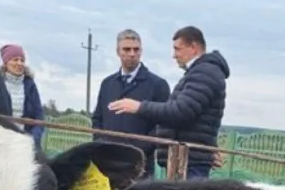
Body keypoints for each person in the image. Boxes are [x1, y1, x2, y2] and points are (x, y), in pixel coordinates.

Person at [108, 25, 229, 180]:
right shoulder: (199, 72)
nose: (174, 55)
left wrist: (139, 107)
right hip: (185, 159)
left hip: (190, 161)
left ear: (193, 47)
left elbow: (181, 111)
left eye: (177, 49)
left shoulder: (204, 73)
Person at [90, 29, 170, 179]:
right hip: (108, 163)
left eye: (136, 49)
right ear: (118, 51)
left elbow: (161, 126)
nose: (132, 54)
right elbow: (97, 119)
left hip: (139, 166)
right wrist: (101, 144)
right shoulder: (108, 84)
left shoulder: (157, 85)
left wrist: (137, 150)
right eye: (127, 49)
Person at [0, 43, 45, 145]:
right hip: (2, 140)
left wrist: (32, 138)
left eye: (22, 60)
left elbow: (39, 117)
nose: (19, 63)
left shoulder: (30, 85)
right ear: (6, 63)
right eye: (15, 59)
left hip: (26, 141)